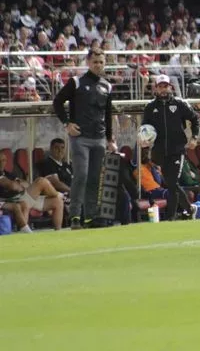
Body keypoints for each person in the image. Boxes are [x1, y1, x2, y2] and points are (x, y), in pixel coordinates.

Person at [53, 47, 117, 229]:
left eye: (101, 62)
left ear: (105, 64)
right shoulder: (76, 82)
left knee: (95, 178)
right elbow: (57, 102)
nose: (98, 65)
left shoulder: (107, 85)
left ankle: (90, 217)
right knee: (81, 174)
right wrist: (67, 124)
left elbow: (108, 113)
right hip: (80, 137)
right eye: (95, 62)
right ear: (88, 62)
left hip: (99, 139)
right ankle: (74, 216)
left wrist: (110, 139)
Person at [142, 74, 200, 220]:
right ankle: (189, 208)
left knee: (172, 183)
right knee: (170, 184)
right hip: (159, 152)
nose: (163, 89)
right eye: (160, 86)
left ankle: (170, 218)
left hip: (177, 150)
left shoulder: (179, 104)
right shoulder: (150, 107)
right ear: (156, 88)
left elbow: (195, 118)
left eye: (165, 86)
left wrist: (194, 137)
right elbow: (145, 128)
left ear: (170, 87)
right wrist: (144, 144)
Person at [0, 152, 64, 231]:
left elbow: (26, 183)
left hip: (26, 195)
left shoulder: (7, 173)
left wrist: (18, 185)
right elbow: (12, 186)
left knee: (58, 202)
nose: (2, 162)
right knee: (41, 181)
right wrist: (17, 185)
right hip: (15, 199)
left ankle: (58, 232)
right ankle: (59, 194)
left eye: (4, 160)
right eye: (0, 160)